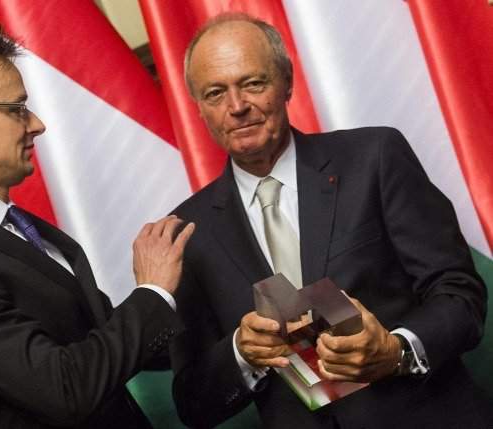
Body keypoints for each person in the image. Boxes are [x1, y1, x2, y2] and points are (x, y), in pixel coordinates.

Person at [169, 13, 490, 429]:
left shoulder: (374, 157)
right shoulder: (188, 232)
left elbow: (460, 293)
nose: (237, 106)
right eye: (215, 93)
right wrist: (241, 354)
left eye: (253, 83)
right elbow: (194, 404)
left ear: (287, 82)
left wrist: (396, 351)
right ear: (198, 107)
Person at [0, 26, 194, 428]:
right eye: (17, 109)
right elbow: (67, 389)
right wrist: (153, 291)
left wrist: (238, 344)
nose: (37, 124)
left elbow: (107, 344)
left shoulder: (21, 229)